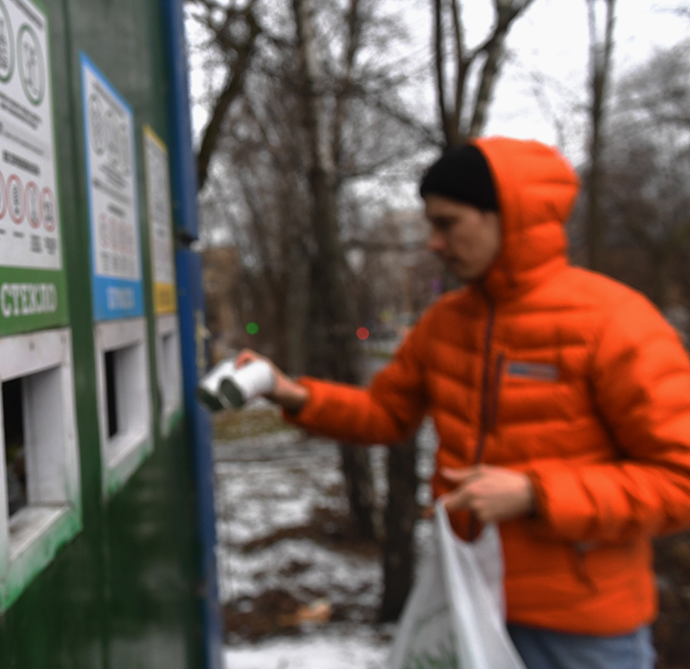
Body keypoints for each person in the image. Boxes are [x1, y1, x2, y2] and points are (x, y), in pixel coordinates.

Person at [238, 137, 690, 669]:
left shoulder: (615, 322)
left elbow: (678, 480)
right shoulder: (446, 322)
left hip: (581, 633)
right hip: (467, 604)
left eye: (447, 223)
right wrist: (295, 394)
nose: (433, 242)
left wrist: (536, 493)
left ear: (509, 217)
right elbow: (386, 414)